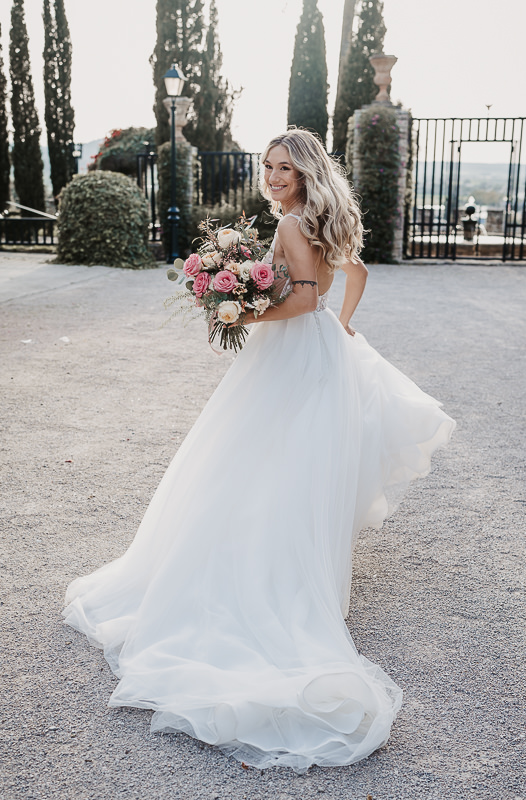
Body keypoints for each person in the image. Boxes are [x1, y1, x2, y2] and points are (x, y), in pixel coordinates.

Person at [63, 129, 455, 773]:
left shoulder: (297, 225)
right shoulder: (321, 220)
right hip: (323, 355)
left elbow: (301, 300)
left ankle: (255, 573)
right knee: (293, 468)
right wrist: (344, 322)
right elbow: (348, 276)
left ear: (305, 173)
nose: (273, 177)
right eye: (268, 167)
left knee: (254, 463)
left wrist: (238, 316)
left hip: (294, 355)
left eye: (284, 168)